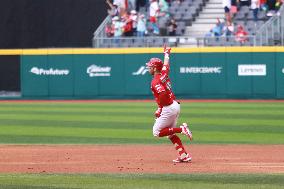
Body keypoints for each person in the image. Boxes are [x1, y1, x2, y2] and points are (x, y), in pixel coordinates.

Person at [146, 45, 193, 163]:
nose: (148, 68)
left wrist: (160, 109)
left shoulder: (155, 81)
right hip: (175, 105)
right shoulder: (163, 73)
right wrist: (166, 53)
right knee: (169, 132)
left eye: (150, 66)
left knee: (156, 132)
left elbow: (162, 95)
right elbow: (166, 64)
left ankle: (182, 129)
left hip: (168, 107)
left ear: (155, 68)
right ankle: (184, 155)